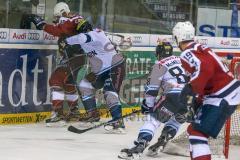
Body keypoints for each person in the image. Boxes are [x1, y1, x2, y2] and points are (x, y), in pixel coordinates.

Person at [172, 21, 240, 160]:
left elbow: (206, 70)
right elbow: (207, 76)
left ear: (177, 37)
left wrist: (190, 89)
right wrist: (197, 99)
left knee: (197, 134)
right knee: (193, 131)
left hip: (222, 95)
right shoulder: (200, 48)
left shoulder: (187, 53)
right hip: (225, 93)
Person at [118, 41, 190, 159]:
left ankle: (140, 146)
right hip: (191, 98)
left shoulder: (160, 64)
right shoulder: (182, 60)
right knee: (177, 119)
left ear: (158, 53)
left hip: (174, 96)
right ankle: (164, 138)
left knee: (153, 120)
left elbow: (152, 90)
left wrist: (149, 106)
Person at [30, 2, 98, 126]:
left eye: (57, 16)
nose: (57, 19)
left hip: (73, 57)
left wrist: (43, 25)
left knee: (56, 80)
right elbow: (75, 27)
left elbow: (60, 30)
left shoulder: (67, 18)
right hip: (78, 57)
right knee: (69, 83)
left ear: (62, 12)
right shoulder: (76, 18)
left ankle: (59, 115)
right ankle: (74, 112)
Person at [61, 19, 126, 133]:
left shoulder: (95, 33)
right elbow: (79, 46)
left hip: (115, 67)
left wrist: (67, 40)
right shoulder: (86, 41)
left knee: (109, 91)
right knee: (84, 84)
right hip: (100, 72)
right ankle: (93, 115)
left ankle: (118, 122)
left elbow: (81, 38)